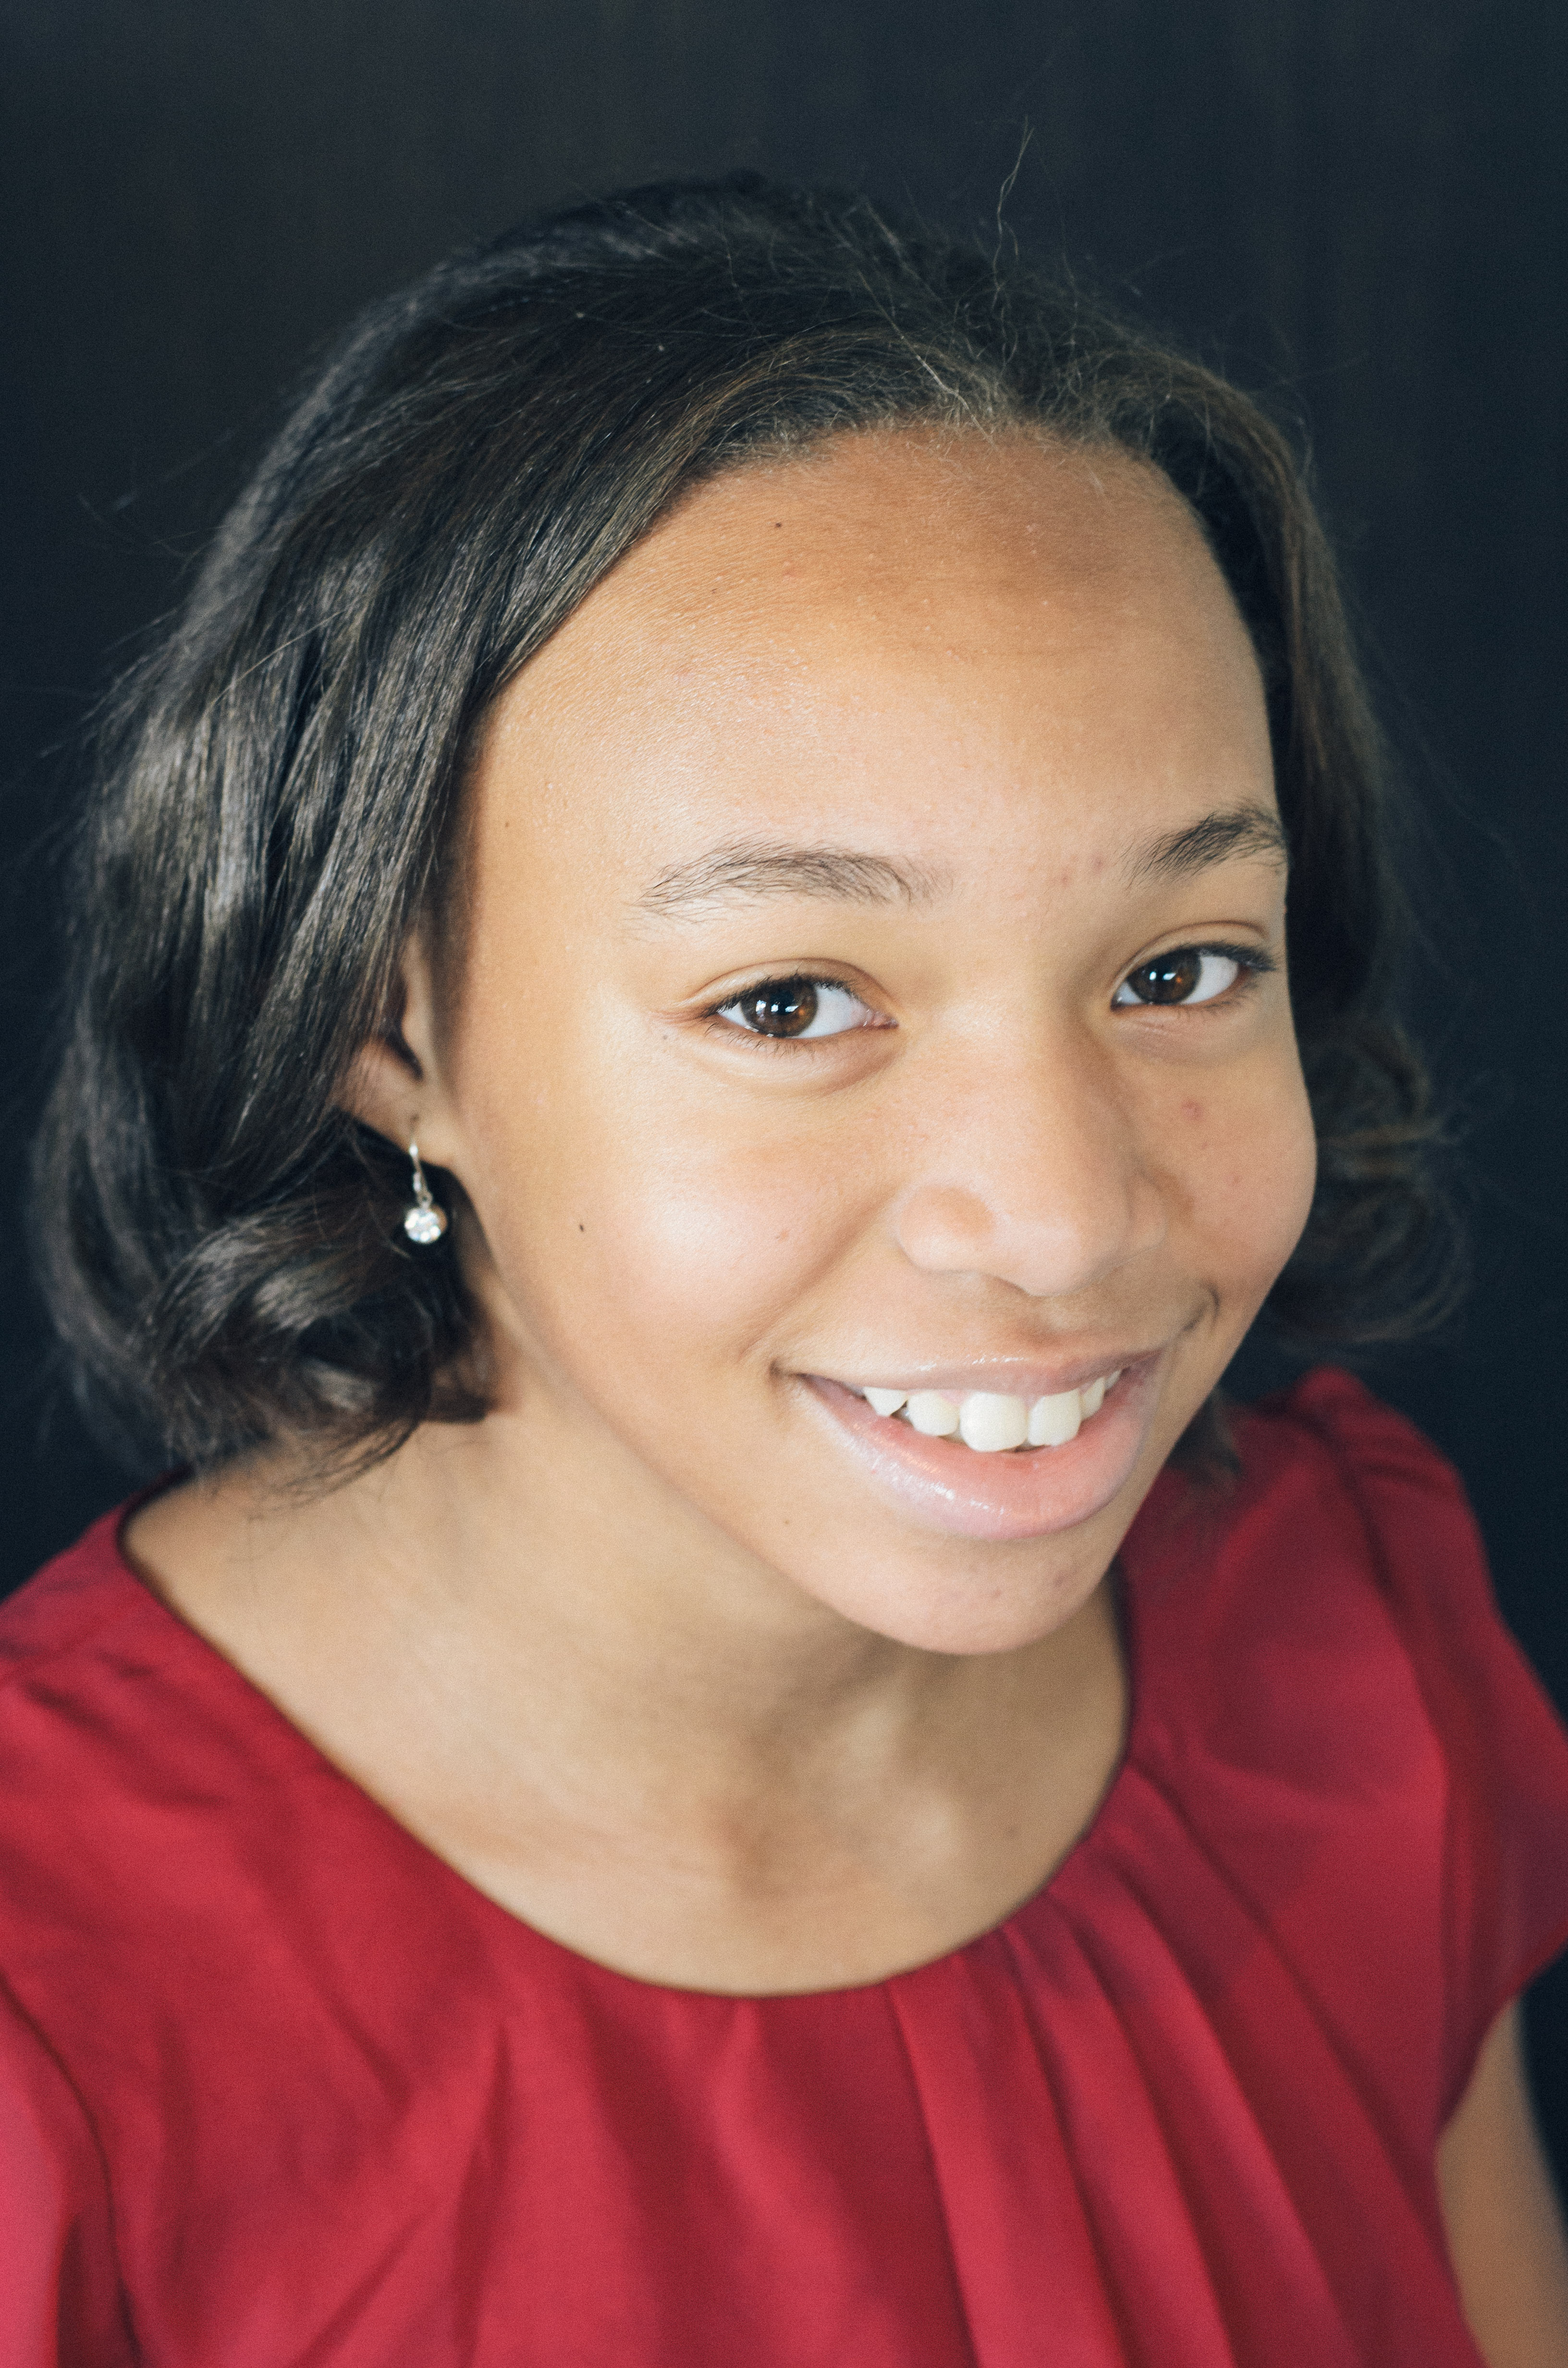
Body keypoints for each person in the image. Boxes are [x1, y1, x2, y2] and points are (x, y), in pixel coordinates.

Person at [3, 175, 1566, 2367]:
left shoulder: (1351, 1638)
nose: (1065, 1219)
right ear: (387, 1030)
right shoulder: (48, 2031)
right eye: (790, 1001)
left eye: (1182, 967)